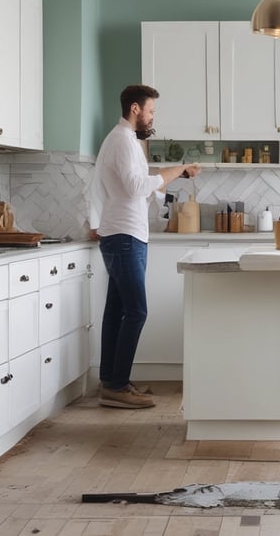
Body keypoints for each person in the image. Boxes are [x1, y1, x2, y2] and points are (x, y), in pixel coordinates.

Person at [89, 84, 201, 409]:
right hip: (124, 236)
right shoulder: (123, 140)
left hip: (124, 234)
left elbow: (138, 182)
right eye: (151, 110)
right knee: (137, 311)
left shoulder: (125, 140)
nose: (152, 117)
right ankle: (117, 386)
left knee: (117, 311)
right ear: (135, 108)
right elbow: (137, 186)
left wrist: (176, 174)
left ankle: (112, 382)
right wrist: (176, 169)